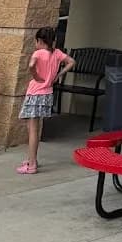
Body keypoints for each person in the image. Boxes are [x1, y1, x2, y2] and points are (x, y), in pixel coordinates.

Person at [16, 27, 75, 174]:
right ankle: (32, 159)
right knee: (32, 127)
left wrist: (35, 76)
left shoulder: (38, 53)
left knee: (33, 130)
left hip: (35, 93)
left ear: (40, 40)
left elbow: (31, 66)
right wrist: (58, 75)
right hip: (47, 93)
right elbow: (71, 62)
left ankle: (31, 165)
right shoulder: (57, 53)